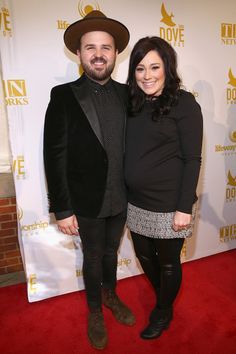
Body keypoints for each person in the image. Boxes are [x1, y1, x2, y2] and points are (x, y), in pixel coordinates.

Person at [43, 10, 135, 350]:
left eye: (106, 47)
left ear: (115, 53)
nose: (99, 53)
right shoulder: (63, 95)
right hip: (87, 198)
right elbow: (54, 156)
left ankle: (110, 295)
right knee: (94, 256)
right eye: (91, 47)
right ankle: (95, 310)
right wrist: (62, 208)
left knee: (112, 252)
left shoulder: (130, 95)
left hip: (123, 196)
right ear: (79, 53)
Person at [125, 36, 203, 340]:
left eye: (154, 67)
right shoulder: (132, 103)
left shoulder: (184, 103)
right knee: (145, 257)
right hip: (135, 201)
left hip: (170, 204)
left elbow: (192, 158)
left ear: (167, 68)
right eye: (140, 68)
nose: (147, 75)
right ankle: (165, 299)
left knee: (168, 262)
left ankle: (162, 310)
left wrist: (185, 206)